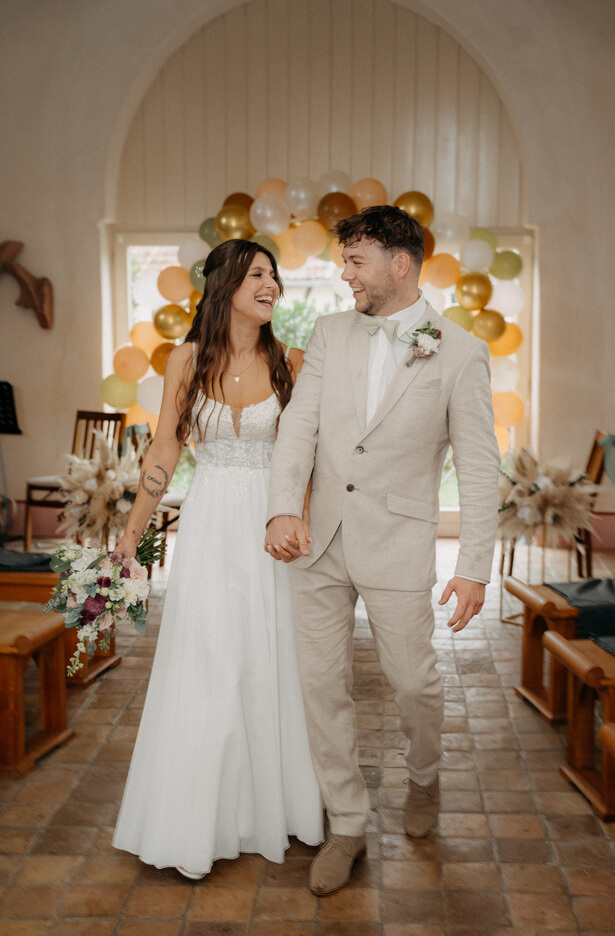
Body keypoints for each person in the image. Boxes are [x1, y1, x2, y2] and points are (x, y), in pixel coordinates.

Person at [265, 205, 500, 896]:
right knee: (321, 688)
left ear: (400, 264)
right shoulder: (330, 333)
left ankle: (424, 777)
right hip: (317, 542)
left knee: (414, 684)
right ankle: (347, 822)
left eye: (356, 260)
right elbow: (299, 427)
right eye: (344, 261)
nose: (345, 275)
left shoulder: (460, 351)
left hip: (399, 542)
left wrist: (474, 568)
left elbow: (480, 466)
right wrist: (283, 507)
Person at [113, 239, 323, 879]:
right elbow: (164, 450)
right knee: (206, 658)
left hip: (269, 526)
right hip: (207, 526)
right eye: (258, 274)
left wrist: (299, 518)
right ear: (225, 283)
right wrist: (131, 535)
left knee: (267, 657)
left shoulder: (291, 362)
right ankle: (198, 818)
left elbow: (308, 455)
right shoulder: (185, 360)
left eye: (274, 276)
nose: (271, 285)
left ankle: (273, 807)